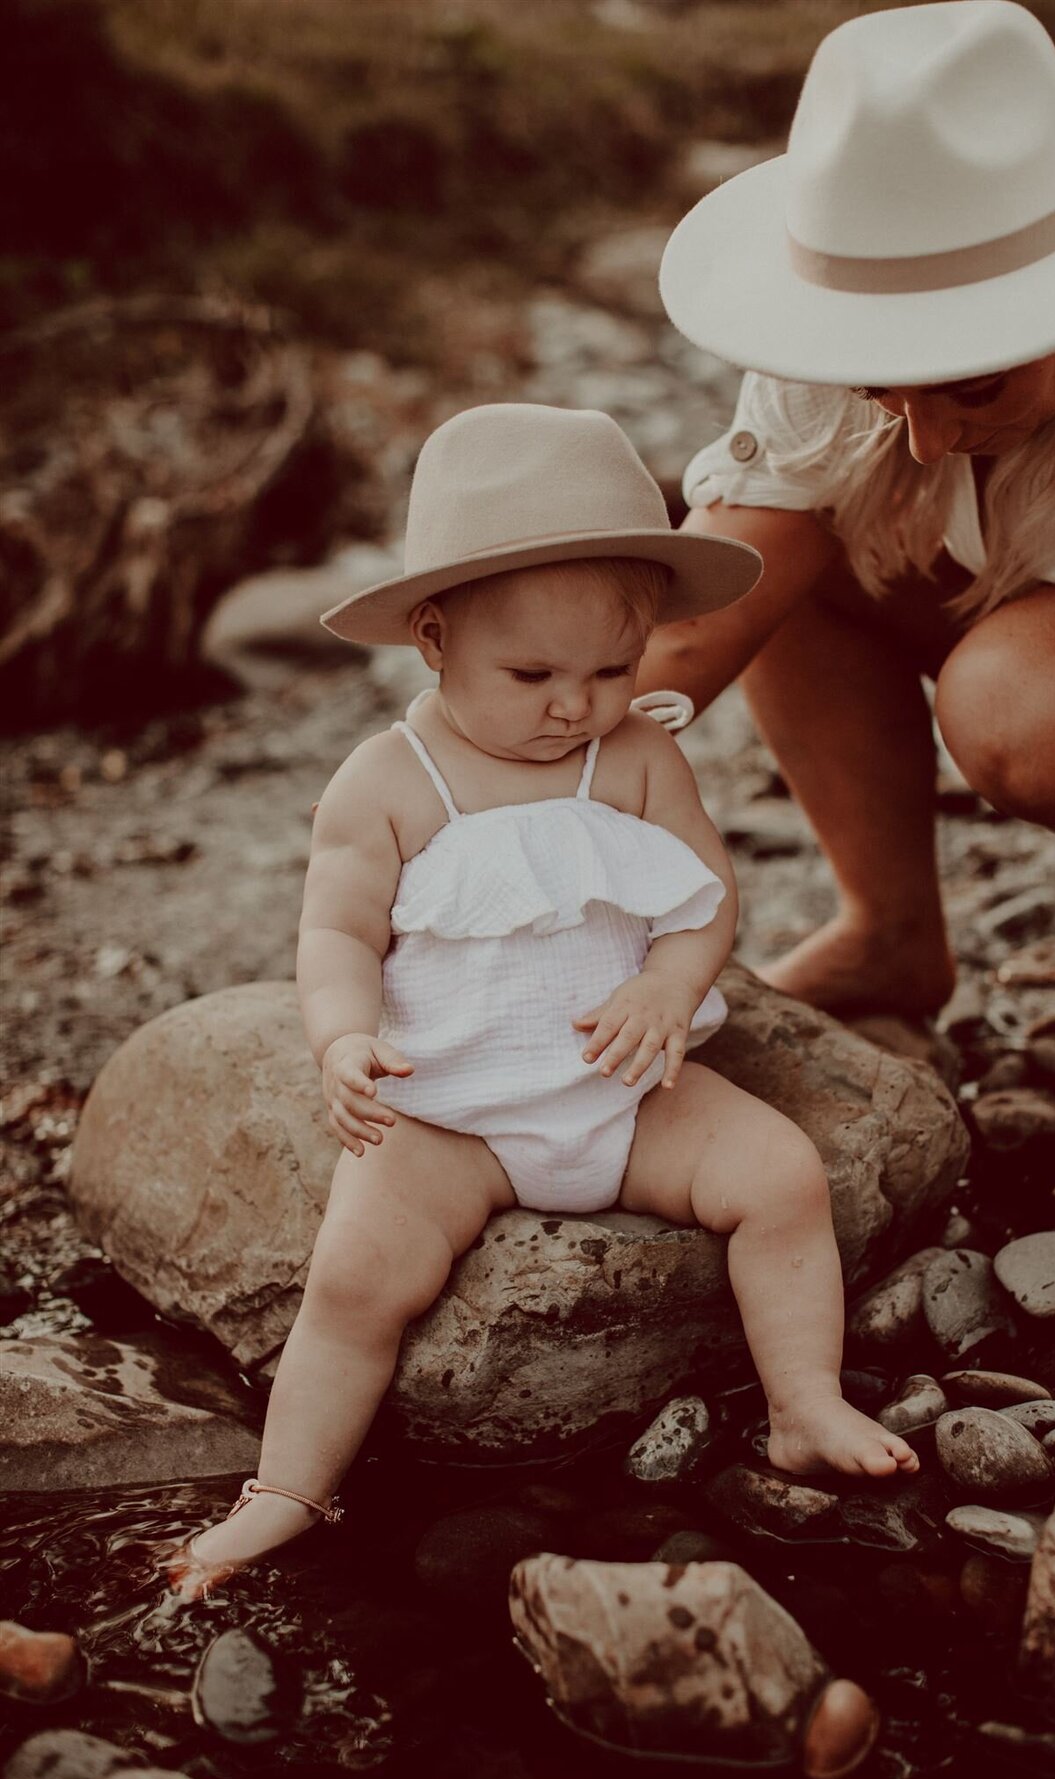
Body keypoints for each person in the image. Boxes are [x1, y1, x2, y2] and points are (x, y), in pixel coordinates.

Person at [173, 403, 918, 1595]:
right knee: (357, 1279)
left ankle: (804, 1404)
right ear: (432, 635)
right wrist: (342, 1038)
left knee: (779, 1177)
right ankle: (286, 1493)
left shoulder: (632, 755)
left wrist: (673, 985)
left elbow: (705, 896)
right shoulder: (388, 781)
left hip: (624, 1096)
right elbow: (337, 931)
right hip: (449, 1116)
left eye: (612, 669)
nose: (575, 704)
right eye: (531, 675)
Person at [643, 0, 1055, 1237]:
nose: (923, 436)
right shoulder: (854, 299)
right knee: (774, 560)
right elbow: (693, 623)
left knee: (1014, 711)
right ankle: (888, 937)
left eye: (970, 382)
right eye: (873, 384)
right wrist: (452, 779)